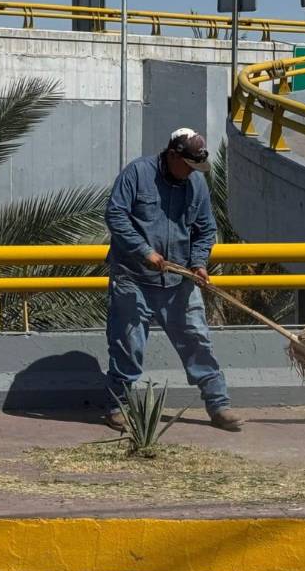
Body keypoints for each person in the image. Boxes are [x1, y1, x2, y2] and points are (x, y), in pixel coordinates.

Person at [103, 127, 242, 432]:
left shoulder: (197, 184)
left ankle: (218, 404)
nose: (191, 172)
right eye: (188, 165)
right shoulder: (137, 174)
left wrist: (198, 263)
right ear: (172, 154)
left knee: (197, 339)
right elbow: (115, 215)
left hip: (179, 279)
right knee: (128, 342)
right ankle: (119, 405)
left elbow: (205, 230)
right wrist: (143, 251)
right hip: (133, 276)